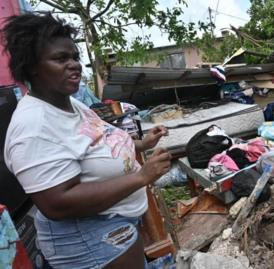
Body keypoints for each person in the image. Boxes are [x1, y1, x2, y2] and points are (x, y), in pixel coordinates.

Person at [2, 12, 171, 268]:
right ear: (32, 66)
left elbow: (100, 139)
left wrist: (142, 144)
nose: (74, 64)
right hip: (89, 237)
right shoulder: (33, 126)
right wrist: (141, 177)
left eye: (74, 57)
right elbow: (57, 203)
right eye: (60, 58)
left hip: (112, 222)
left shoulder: (69, 103)